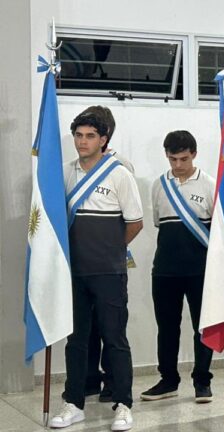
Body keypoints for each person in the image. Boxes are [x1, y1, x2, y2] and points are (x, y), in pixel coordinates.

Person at [51, 110, 142, 431]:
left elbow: (135, 222)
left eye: (90, 136)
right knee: (76, 340)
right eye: (78, 135)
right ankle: (73, 402)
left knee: (114, 338)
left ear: (103, 140)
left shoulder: (119, 174)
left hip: (109, 273)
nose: (82, 142)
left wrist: (109, 251)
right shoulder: (63, 173)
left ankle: (123, 404)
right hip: (73, 273)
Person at [141, 131, 215, 403]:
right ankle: (168, 379)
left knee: (202, 327)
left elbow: (217, 229)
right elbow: (160, 224)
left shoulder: (209, 184)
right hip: (165, 270)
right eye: (172, 159)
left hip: (200, 270)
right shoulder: (159, 185)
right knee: (167, 327)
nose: (178, 165)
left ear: (194, 154)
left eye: (183, 159)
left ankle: (202, 381)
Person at [79, 105, 132, 403]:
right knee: (86, 326)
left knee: (111, 325)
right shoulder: (74, 166)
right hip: (84, 258)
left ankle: (113, 382)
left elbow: (132, 219)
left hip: (111, 259)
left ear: (105, 134)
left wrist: (113, 249)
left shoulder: (119, 166)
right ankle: (88, 380)